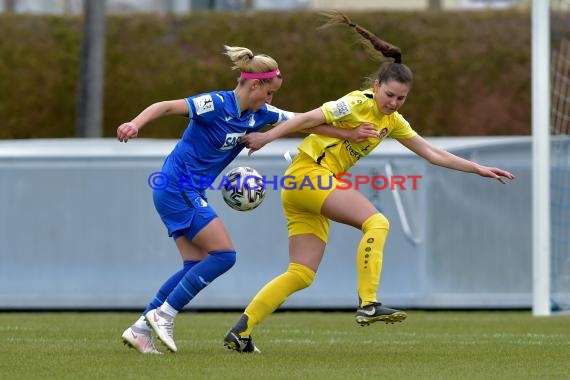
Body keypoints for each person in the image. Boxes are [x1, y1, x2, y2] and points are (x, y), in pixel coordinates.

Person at [223, 12, 515, 353]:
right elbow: (306, 119)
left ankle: (241, 331)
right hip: (309, 176)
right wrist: (265, 139)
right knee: (377, 222)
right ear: (376, 85)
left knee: (301, 272)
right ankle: (369, 302)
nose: (393, 103)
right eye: (389, 94)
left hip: (302, 187)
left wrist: (478, 168)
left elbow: (432, 153)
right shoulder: (355, 103)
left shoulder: (392, 121)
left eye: (401, 98)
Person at [117, 45, 372, 354]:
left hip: (187, 191)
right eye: (269, 93)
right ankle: (164, 314)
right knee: (224, 255)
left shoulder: (260, 115)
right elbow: (166, 106)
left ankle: (141, 328)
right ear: (255, 84)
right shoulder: (215, 103)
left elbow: (304, 121)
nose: (271, 99)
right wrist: (135, 124)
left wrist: (349, 134)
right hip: (176, 186)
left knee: (196, 263)